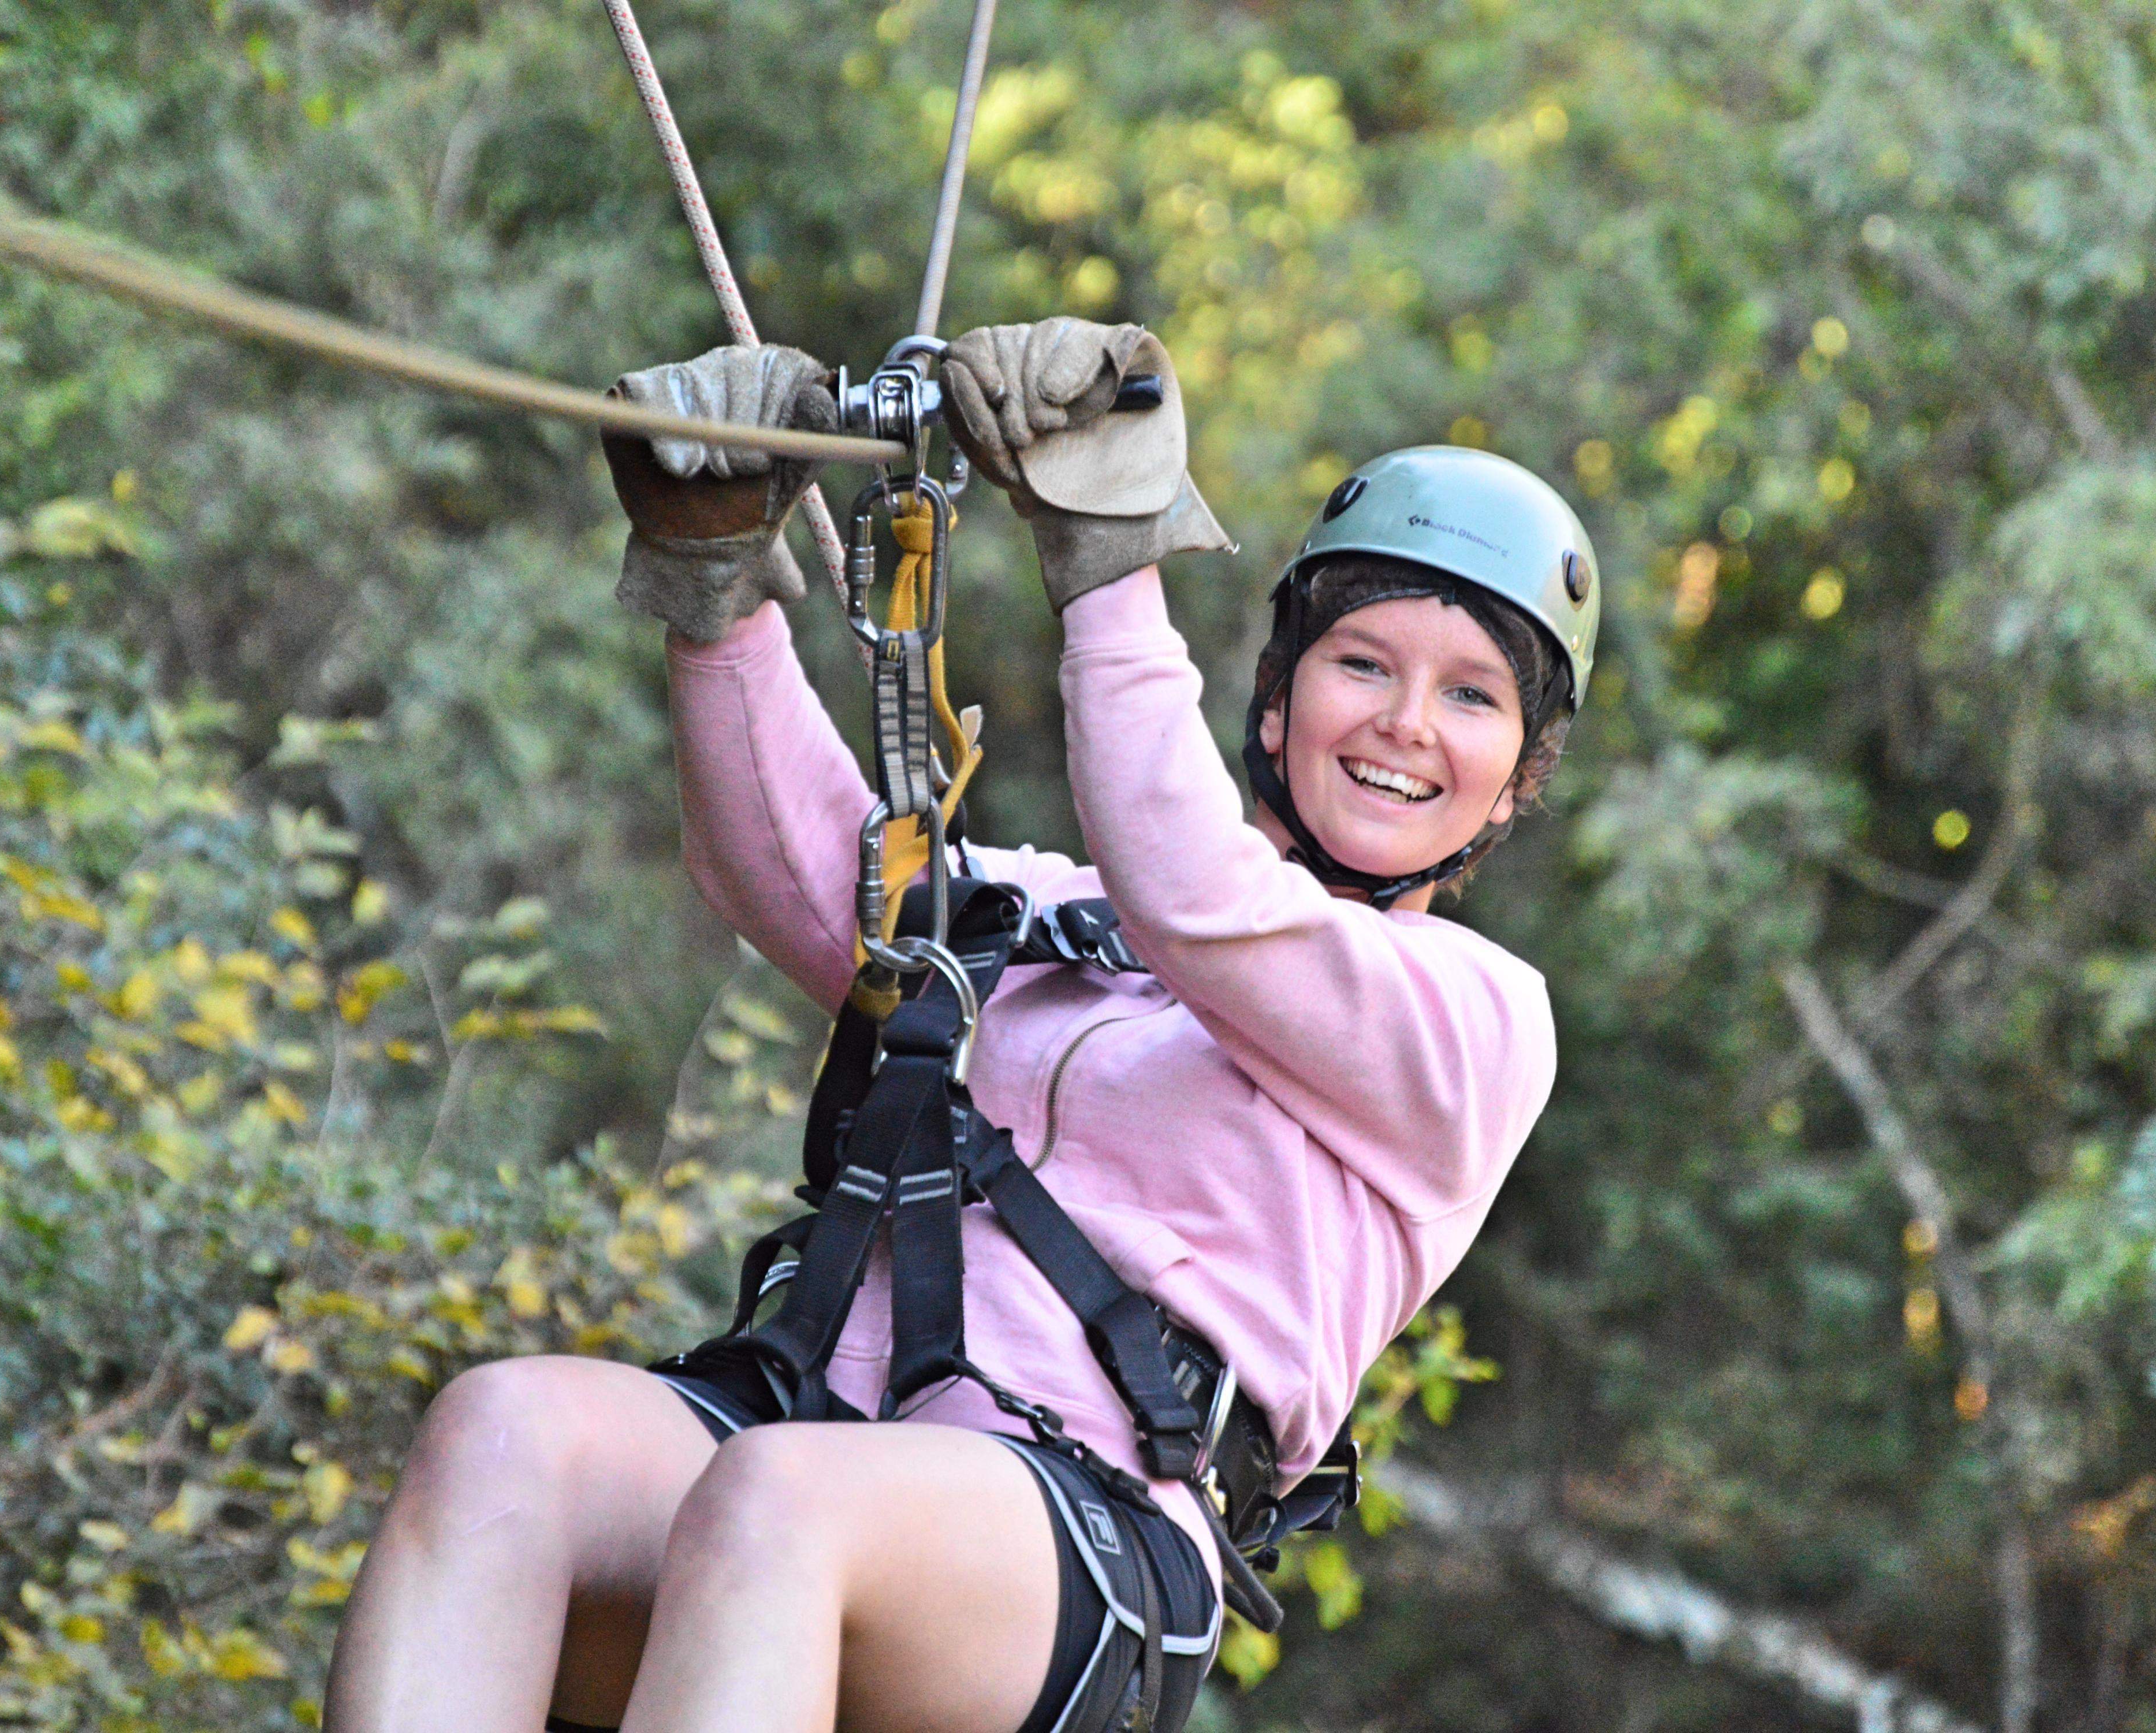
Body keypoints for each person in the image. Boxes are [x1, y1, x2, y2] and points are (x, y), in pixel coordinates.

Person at [321, 318, 1599, 1733]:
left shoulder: (1471, 1025)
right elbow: (803, 878)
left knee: (777, 1503)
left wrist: (1108, 569)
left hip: (1079, 1530)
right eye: (1364, 665)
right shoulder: (1062, 915)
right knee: (503, 1435)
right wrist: (715, 592)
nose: (1407, 721)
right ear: (1281, 695)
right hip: (811, 1444)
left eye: (1470, 696)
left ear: (1516, 777)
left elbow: (1199, 896)